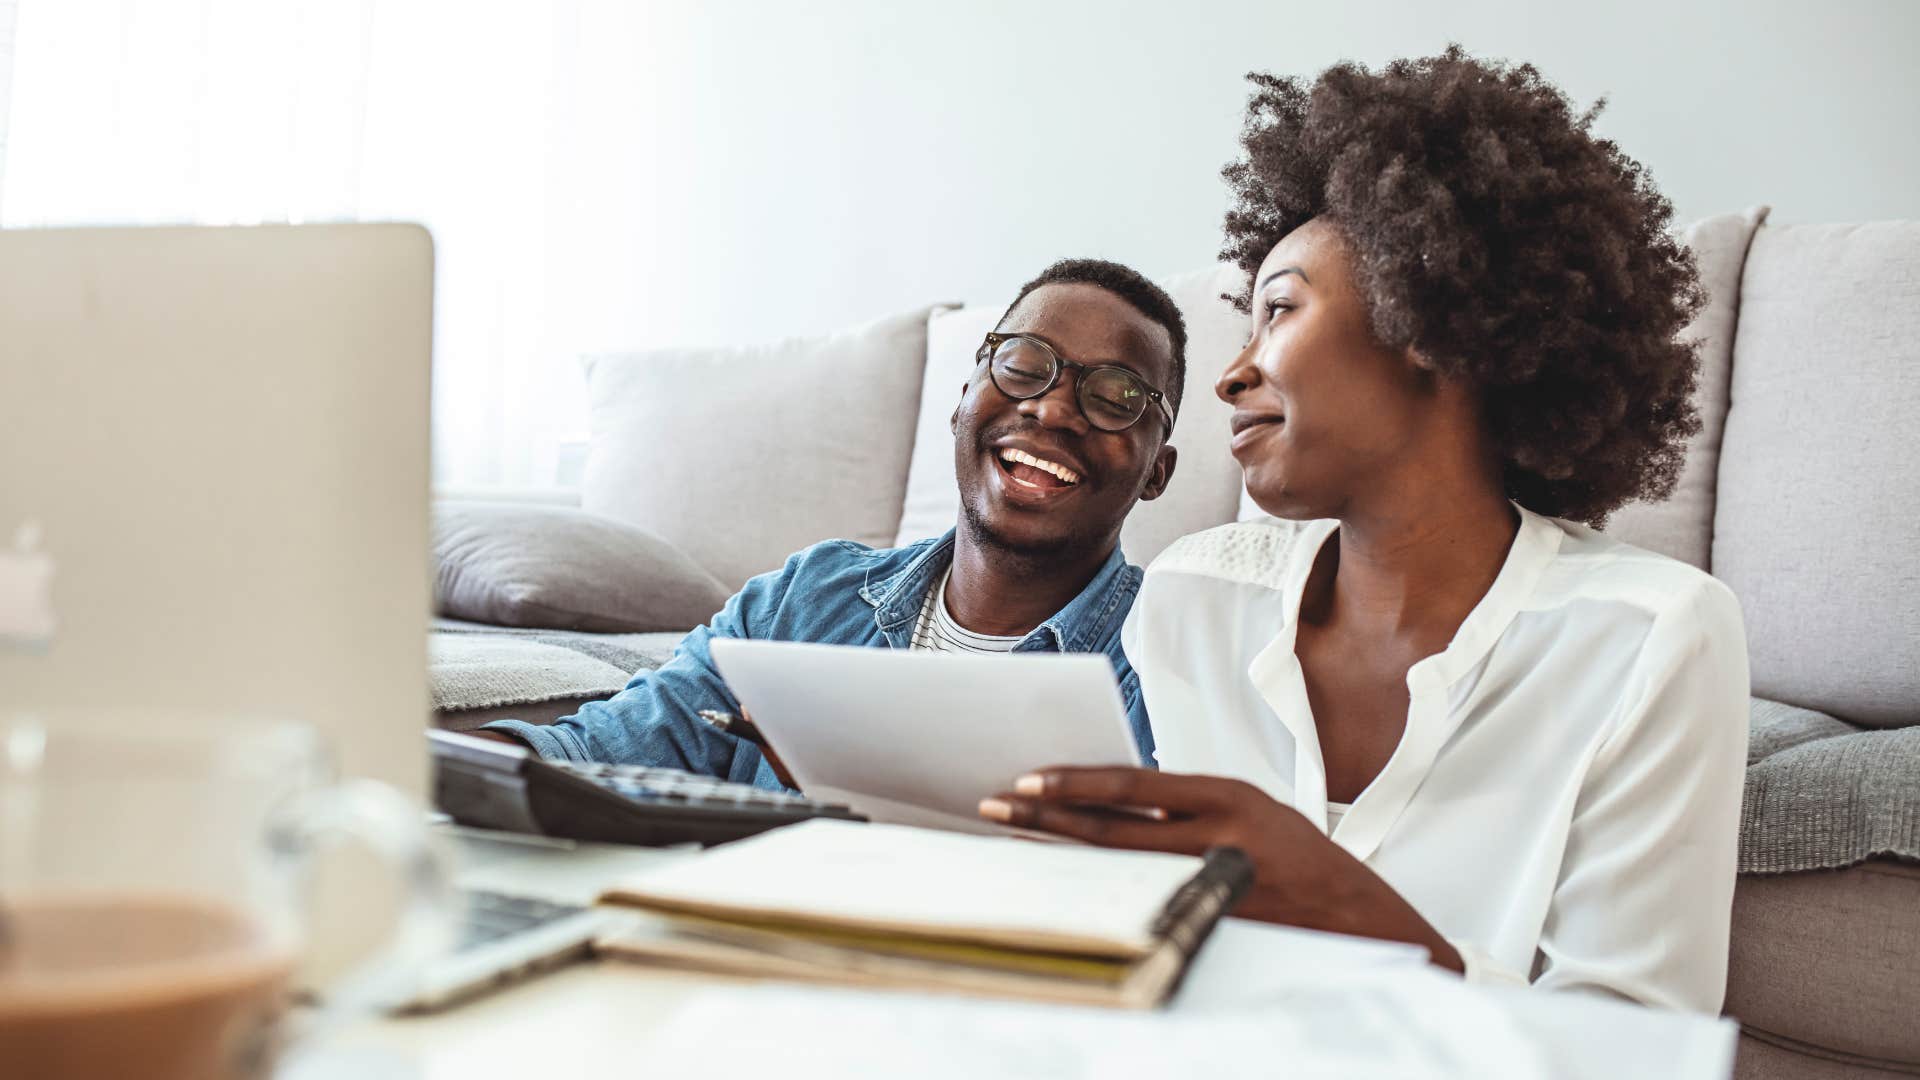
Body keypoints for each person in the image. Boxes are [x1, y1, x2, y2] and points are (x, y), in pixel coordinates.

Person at [980, 49, 1749, 1012]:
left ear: (1424, 319)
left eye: (1278, 310)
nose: (1231, 375)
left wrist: (1351, 909)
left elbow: (1637, 1052)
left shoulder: (1651, 637)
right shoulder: (1194, 599)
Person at [475, 258, 1184, 789]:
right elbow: (595, 751)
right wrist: (432, 771)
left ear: (1157, 471)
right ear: (963, 398)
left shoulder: (1172, 655)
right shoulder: (805, 598)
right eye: (1025, 365)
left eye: (1116, 397)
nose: (1053, 409)